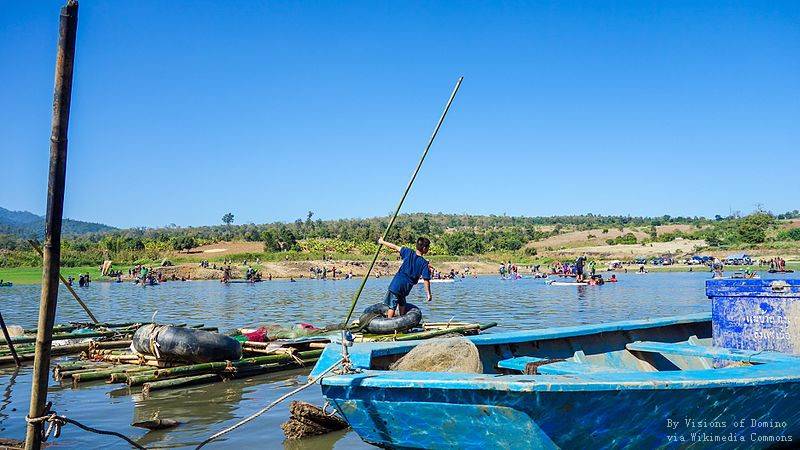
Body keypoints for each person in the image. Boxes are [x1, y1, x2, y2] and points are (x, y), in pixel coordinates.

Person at [378, 236, 432, 318]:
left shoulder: (408, 252)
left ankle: (394, 322)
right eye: (428, 247)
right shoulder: (424, 263)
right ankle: (395, 322)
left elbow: (394, 247)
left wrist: (382, 242)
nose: (428, 249)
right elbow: (426, 280)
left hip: (396, 284)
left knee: (392, 305)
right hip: (406, 287)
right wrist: (428, 294)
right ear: (424, 248)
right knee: (402, 302)